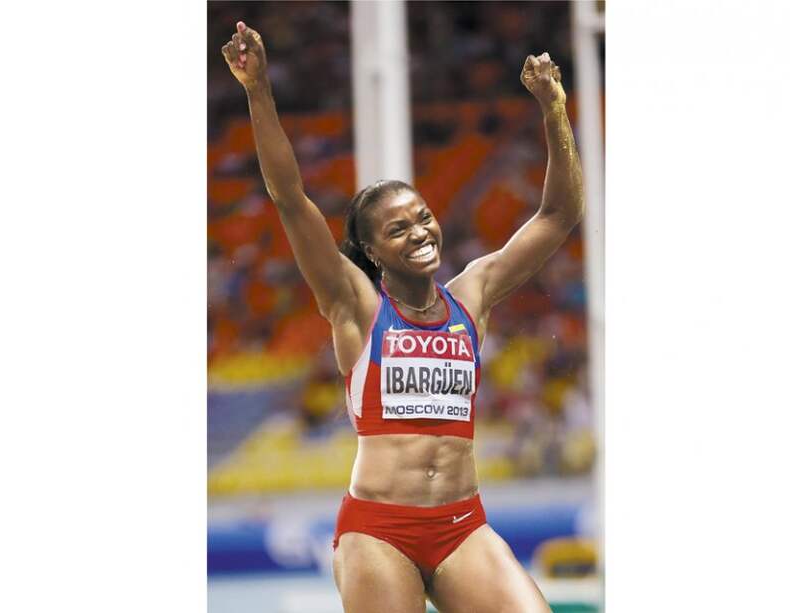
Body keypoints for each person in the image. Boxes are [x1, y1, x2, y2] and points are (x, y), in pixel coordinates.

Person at [222, 20, 583, 613]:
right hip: (378, 530)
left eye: (422, 217)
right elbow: (290, 198)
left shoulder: (473, 295)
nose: (420, 232)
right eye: (398, 228)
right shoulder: (355, 303)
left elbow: (558, 215)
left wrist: (554, 109)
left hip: (464, 525)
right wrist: (258, 91)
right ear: (371, 251)